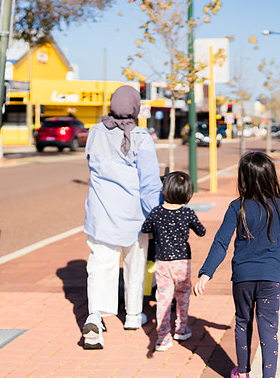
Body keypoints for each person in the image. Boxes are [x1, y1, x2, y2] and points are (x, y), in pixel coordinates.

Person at [193, 152, 280, 378]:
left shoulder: (236, 207)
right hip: (270, 279)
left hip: (242, 278)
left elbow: (221, 242)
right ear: (270, 177)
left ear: (244, 179)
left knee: (243, 322)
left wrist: (206, 272)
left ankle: (242, 375)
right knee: (269, 330)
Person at [82, 85, 162, 350]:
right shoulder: (140, 137)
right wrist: (155, 215)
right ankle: (131, 315)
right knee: (135, 263)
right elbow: (150, 182)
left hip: (101, 211)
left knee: (100, 265)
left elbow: (91, 164)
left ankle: (95, 314)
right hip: (134, 214)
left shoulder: (95, 132)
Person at [141, 171, 206, 352]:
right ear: (187, 194)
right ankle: (181, 328)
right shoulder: (187, 213)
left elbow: (145, 228)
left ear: (164, 191)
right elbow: (201, 231)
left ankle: (162, 337)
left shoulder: (156, 213)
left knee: (163, 298)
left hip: (162, 262)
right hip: (182, 262)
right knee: (183, 296)